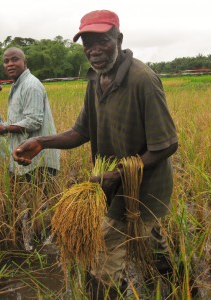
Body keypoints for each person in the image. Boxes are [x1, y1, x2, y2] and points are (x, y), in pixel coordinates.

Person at [12, 10, 178, 299]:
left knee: (102, 263)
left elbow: (166, 145)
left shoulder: (143, 80)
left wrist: (118, 174)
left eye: (102, 40)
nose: (94, 50)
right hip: (112, 187)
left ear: (119, 39)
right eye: (87, 43)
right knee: (151, 247)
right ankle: (178, 287)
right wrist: (41, 141)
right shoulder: (95, 79)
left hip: (144, 189)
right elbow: (81, 131)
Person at [0, 47, 60, 250]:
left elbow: (33, 121)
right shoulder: (18, 85)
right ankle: (39, 244)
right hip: (26, 156)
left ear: (24, 62)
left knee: (45, 200)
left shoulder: (31, 85)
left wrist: (5, 128)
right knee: (34, 202)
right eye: (6, 61)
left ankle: (52, 245)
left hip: (38, 157)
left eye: (14, 59)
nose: (9, 64)